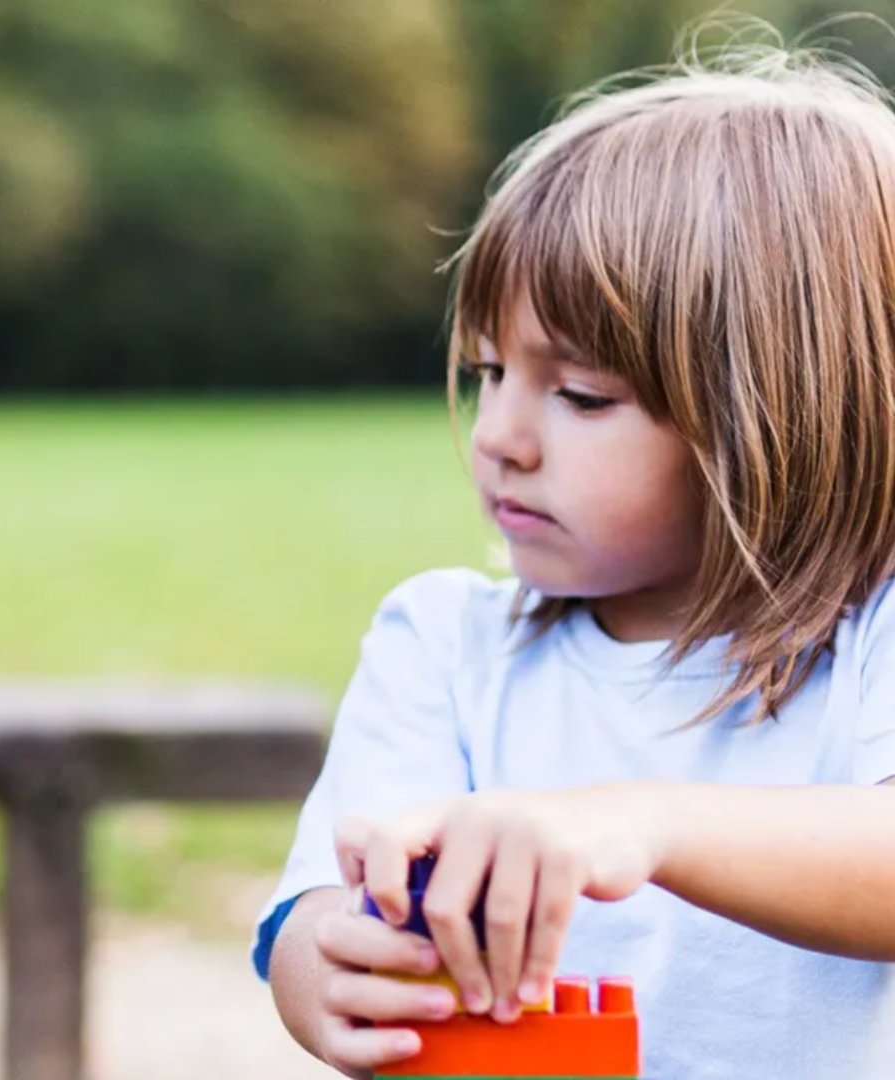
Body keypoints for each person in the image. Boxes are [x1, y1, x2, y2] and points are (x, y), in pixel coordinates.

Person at [255, 25, 895, 1080]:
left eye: (582, 394)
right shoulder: (447, 647)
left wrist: (641, 823)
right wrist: (328, 969)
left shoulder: (869, 640)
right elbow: (315, 907)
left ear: (785, 421)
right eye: (489, 370)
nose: (501, 434)